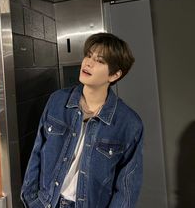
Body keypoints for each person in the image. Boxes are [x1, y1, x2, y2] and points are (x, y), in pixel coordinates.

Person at [21, 32, 144, 208]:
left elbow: (127, 187)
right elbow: (37, 153)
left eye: (99, 61)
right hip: (46, 203)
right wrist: (31, 199)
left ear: (114, 75)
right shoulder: (57, 100)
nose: (88, 63)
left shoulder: (129, 123)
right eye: (88, 55)